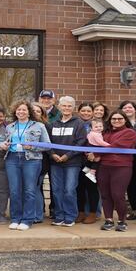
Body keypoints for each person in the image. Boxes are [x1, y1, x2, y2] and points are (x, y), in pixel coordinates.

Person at [1, 101, 50, 230]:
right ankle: (15, 218)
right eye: (18, 110)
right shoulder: (10, 126)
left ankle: (27, 220)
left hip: (31, 160)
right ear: (15, 112)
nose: (21, 112)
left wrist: (32, 147)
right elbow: (6, 142)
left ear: (29, 112)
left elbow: (47, 145)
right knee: (14, 190)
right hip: (12, 159)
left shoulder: (39, 126)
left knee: (29, 190)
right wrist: (3, 145)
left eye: (24, 110)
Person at [48, 96, 88, 227]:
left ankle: (70, 216)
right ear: (59, 107)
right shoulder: (53, 124)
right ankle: (59, 216)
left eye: (69, 106)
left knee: (69, 190)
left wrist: (67, 155)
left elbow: (81, 142)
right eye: (64, 106)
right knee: (56, 190)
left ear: (73, 108)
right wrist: (52, 154)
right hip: (55, 162)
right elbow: (47, 142)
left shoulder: (79, 123)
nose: (66, 108)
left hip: (72, 163)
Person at [95, 110, 136, 232]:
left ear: (125, 120)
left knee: (118, 195)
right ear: (110, 120)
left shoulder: (130, 132)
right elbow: (98, 145)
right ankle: (108, 220)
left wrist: (96, 151)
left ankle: (122, 221)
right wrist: (95, 150)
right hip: (104, 166)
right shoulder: (105, 133)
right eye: (114, 119)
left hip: (122, 167)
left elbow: (116, 146)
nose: (117, 121)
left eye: (120, 119)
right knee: (105, 195)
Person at [119, 100, 136, 223]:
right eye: (125, 108)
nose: (128, 109)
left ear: (135, 109)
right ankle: (135, 210)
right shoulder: (119, 123)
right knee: (130, 185)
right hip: (126, 158)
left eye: (130, 107)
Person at [76, 102, 99, 224]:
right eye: (83, 110)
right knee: (79, 187)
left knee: (91, 187)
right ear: (79, 111)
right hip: (77, 161)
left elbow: (102, 141)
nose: (86, 113)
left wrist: (95, 154)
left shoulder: (97, 125)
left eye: (88, 111)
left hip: (91, 163)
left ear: (93, 113)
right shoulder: (76, 123)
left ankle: (93, 213)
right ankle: (80, 212)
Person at [30, 102, 51, 223]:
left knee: (35, 188)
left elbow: (49, 146)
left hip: (42, 162)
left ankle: (37, 215)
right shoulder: (26, 125)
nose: (36, 113)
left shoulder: (46, 126)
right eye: (34, 111)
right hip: (27, 161)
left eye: (39, 111)